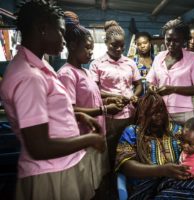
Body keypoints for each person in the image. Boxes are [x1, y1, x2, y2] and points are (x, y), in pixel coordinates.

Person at [0, 1, 106, 199]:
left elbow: (52, 111)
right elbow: (39, 147)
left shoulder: (41, 66)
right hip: (50, 172)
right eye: (60, 31)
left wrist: (80, 115)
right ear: (42, 29)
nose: (64, 40)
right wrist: (90, 138)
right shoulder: (29, 77)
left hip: (63, 164)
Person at [57, 12, 124, 191]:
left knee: (99, 180)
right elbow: (70, 110)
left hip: (96, 134)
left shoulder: (84, 72)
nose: (91, 52)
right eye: (87, 48)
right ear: (72, 46)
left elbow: (93, 97)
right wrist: (103, 110)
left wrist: (110, 99)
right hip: (82, 137)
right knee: (87, 184)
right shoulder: (67, 74)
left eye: (92, 48)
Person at [115, 92, 194, 199]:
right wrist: (162, 170)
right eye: (153, 113)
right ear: (143, 115)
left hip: (180, 185)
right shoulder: (132, 132)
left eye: (161, 110)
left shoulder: (176, 131)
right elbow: (125, 165)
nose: (159, 115)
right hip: (148, 189)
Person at [89, 20, 142, 169]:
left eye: (122, 45)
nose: (119, 49)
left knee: (129, 145)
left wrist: (134, 95)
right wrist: (114, 97)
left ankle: (126, 173)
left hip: (131, 112)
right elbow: (94, 90)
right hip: (111, 115)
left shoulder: (130, 63)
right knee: (111, 148)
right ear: (106, 42)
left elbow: (138, 84)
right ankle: (112, 177)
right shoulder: (97, 64)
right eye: (114, 45)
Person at [147, 18, 194, 125]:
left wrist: (173, 89)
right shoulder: (159, 57)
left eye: (176, 40)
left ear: (184, 40)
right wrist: (151, 86)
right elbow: (151, 81)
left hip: (184, 114)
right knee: (164, 141)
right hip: (161, 112)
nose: (171, 44)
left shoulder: (192, 58)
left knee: (183, 141)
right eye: (168, 39)